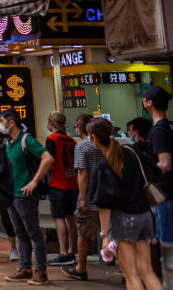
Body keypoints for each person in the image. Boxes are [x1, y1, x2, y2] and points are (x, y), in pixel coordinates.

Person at [87, 117, 163, 290]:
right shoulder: (131, 152)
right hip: (144, 217)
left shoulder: (104, 165)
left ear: (94, 138)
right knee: (147, 271)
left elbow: (104, 205)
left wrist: (105, 235)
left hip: (124, 221)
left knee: (131, 274)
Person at [0, 109, 53, 285]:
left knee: (34, 233)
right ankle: (25, 268)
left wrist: (35, 181)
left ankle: (41, 271)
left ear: (12, 123)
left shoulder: (26, 140)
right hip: (11, 195)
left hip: (25, 196)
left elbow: (47, 158)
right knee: (20, 233)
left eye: (2, 121)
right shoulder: (9, 142)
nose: (0, 125)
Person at [61, 113, 104, 282]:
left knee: (84, 234)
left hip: (91, 197)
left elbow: (83, 174)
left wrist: (83, 199)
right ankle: (125, 268)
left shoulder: (82, 147)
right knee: (112, 234)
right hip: (109, 197)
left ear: (80, 129)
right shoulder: (108, 144)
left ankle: (81, 267)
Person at [44, 111, 78, 268]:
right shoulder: (71, 140)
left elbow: (49, 161)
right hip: (73, 183)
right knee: (70, 217)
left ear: (51, 122)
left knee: (59, 218)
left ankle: (63, 253)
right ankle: (72, 251)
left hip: (59, 183)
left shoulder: (52, 139)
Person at [143, 86, 173, 251]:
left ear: (149, 103)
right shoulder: (169, 126)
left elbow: (165, 163)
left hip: (164, 195)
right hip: (166, 193)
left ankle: (169, 276)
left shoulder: (158, 131)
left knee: (167, 241)